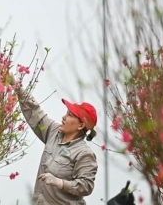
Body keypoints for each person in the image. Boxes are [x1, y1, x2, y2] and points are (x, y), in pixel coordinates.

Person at [12, 76, 98, 205]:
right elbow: (35, 112)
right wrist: (17, 87)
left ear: (81, 126)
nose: (63, 117)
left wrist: (61, 183)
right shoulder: (53, 131)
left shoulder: (84, 154)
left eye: (70, 115)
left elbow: (86, 185)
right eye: (66, 113)